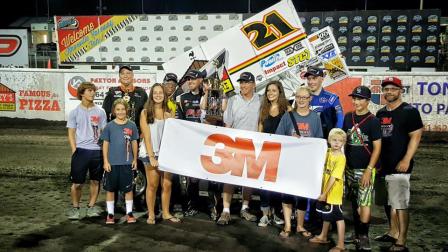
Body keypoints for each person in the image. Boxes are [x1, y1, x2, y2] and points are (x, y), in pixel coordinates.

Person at [375, 77, 423, 252]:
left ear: (400, 90)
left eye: (393, 89)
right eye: (386, 89)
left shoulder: (409, 111)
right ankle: (393, 231)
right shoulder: (381, 113)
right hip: (383, 165)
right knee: (388, 202)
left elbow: (416, 135)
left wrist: (406, 159)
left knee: (400, 203)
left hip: (400, 165)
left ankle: (401, 239)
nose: (389, 92)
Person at [275, 86, 323, 238]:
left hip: (306, 163)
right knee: (287, 194)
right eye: (298, 97)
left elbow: (319, 141)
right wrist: (291, 140)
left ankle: (300, 226)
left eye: (304, 97)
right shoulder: (288, 116)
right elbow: (278, 137)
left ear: (310, 99)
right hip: (289, 162)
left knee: (302, 196)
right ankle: (288, 226)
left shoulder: (315, 117)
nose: (301, 100)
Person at [216, 71, 261, 225]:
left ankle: (245, 208)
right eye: (241, 82)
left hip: (253, 146)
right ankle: (226, 211)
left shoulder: (261, 101)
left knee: (247, 179)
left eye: (247, 82)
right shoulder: (233, 100)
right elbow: (227, 124)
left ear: (254, 84)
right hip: (234, 145)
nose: (243, 85)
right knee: (229, 178)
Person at [343, 86, 382, 250]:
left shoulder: (373, 121)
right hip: (349, 168)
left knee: (364, 204)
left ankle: (364, 236)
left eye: (360, 99)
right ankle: (357, 233)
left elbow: (377, 147)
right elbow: (344, 139)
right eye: (354, 98)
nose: (356, 101)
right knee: (354, 202)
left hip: (364, 169)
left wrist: (369, 169)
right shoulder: (348, 117)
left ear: (367, 101)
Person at [139, 83, 180, 224]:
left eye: (160, 93)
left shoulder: (169, 113)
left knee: (167, 185)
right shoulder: (145, 113)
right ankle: (151, 214)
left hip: (166, 154)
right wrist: (151, 157)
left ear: (164, 95)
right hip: (150, 153)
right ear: (151, 95)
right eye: (155, 92)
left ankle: (166, 213)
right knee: (152, 185)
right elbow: (147, 137)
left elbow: (172, 135)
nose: (158, 95)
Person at [67, 82, 107, 220]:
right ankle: (75, 208)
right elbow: (71, 132)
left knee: (95, 181)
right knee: (77, 183)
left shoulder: (100, 112)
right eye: (89, 90)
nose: (92, 93)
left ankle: (91, 207)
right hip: (81, 151)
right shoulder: (74, 112)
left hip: (97, 151)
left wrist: (104, 150)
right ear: (82, 93)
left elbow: (104, 132)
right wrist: (74, 149)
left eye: (93, 91)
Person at [100, 99, 139, 224]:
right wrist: (106, 161)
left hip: (127, 163)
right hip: (112, 164)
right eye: (118, 109)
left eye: (123, 109)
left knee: (128, 190)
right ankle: (110, 215)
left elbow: (134, 142)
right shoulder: (109, 126)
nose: (121, 112)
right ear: (114, 111)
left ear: (126, 110)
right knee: (110, 190)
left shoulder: (132, 125)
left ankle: (129, 213)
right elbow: (105, 144)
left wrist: (134, 159)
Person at [257, 80, 290, 227]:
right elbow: (260, 128)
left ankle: (276, 213)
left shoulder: (287, 109)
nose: (270, 93)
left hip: (281, 153)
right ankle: (265, 214)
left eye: (274, 91)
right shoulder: (263, 108)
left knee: (277, 185)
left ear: (280, 92)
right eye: (268, 91)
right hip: (266, 151)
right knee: (263, 184)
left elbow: (291, 130)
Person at [309, 128, 347, 252]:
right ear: (329, 140)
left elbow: (333, 177)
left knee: (338, 218)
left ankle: (341, 245)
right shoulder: (328, 152)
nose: (336, 143)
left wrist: (325, 193)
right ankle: (323, 236)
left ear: (343, 143)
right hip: (325, 191)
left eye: (340, 141)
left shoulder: (341, 158)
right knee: (326, 215)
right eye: (334, 140)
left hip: (333, 193)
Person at [176, 69, 205, 217]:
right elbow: (179, 122)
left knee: (210, 176)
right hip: (190, 143)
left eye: (193, 79)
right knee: (191, 177)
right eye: (188, 79)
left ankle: (213, 208)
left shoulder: (209, 95)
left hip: (207, 142)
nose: (190, 81)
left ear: (200, 80)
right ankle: (192, 204)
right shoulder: (181, 98)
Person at [102, 65, 148, 129]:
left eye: (128, 73)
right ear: (119, 76)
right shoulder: (112, 93)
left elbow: (148, 114)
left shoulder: (141, 92)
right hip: (116, 132)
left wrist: (144, 132)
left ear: (132, 75)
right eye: (122, 73)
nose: (125, 76)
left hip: (137, 133)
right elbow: (104, 115)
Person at [305, 67, 344, 138]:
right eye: (309, 79)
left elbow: (340, 119)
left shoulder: (332, 98)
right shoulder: (302, 98)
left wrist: (335, 137)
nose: (311, 82)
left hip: (325, 141)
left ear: (322, 79)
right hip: (306, 140)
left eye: (314, 78)